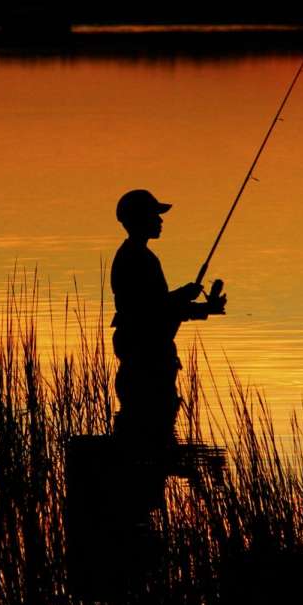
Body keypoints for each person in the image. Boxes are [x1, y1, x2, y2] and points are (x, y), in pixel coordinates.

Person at [110, 189, 225, 450]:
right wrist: (186, 297)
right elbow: (149, 310)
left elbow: (154, 308)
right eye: (155, 215)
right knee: (151, 444)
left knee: (152, 444)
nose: (160, 221)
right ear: (140, 219)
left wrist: (202, 307)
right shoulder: (136, 258)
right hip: (147, 363)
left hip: (147, 359)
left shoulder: (138, 256)